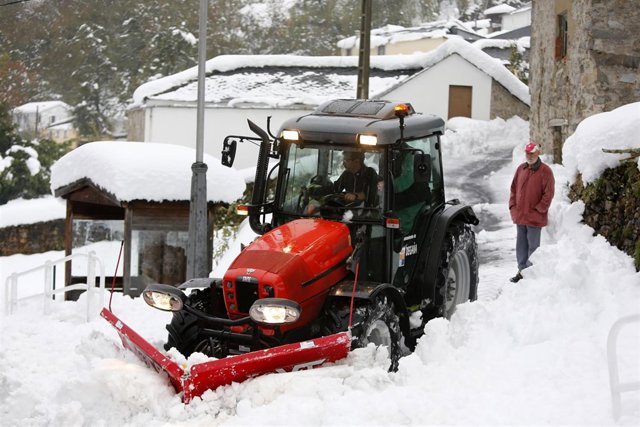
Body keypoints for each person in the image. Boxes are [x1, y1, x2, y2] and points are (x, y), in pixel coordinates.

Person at [509, 141, 555, 283]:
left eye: (532, 153)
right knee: (521, 245)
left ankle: (531, 273)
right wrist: (513, 207)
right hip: (520, 216)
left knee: (533, 247)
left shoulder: (545, 171)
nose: (529, 156)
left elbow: (549, 193)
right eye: (527, 153)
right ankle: (522, 271)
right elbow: (513, 189)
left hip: (535, 217)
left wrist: (539, 209)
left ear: (538, 153)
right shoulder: (521, 169)